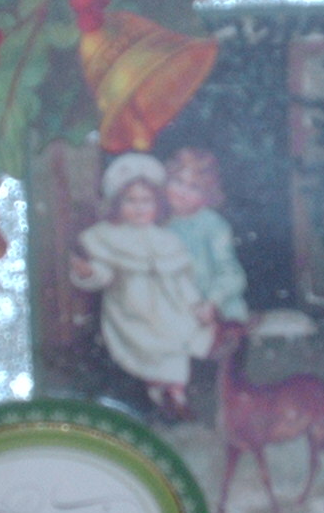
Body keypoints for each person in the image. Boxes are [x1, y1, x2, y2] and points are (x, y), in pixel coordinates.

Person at [70, 155, 215, 417]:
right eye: (131, 201)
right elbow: (105, 275)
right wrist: (89, 272)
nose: (139, 208)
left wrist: (197, 305)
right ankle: (155, 395)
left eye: (146, 201)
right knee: (146, 348)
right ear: (118, 204)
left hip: (169, 307)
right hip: (130, 311)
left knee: (177, 341)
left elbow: (181, 280)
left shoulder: (167, 240)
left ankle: (175, 396)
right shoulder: (107, 237)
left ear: (157, 205)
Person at [163, 146, 249, 326]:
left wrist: (213, 302)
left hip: (214, 309)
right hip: (176, 308)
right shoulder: (160, 221)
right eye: (178, 181)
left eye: (194, 187)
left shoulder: (213, 225)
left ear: (208, 194)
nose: (182, 192)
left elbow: (231, 274)